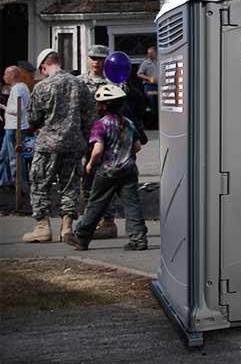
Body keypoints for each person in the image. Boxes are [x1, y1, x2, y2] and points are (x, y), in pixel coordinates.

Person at [22, 49, 95, 243]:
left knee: (40, 184)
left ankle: (42, 227)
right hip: (74, 144)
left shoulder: (42, 87)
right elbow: (90, 117)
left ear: (43, 67)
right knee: (70, 186)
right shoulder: (80, 84)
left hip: (48, 144)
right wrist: (83, 140)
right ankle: (67, 227)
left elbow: (33, 119)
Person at [63, 85, 147, 250]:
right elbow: (137, 147)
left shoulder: (101, 124)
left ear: (102, 106)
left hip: (107, 172)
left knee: (96, 204)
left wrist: (90, 164)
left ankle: (81, 238)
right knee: (132, 205)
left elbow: (98, 149)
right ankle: (138, 239)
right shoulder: (128, 123)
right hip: (129, 170)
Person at [79, 44, 119, 239]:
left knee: (107, 181)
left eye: (100, 59)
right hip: (85, 138)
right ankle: (90, 219)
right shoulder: (79, 82)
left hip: (108, 140)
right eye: (93, 58)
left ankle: (108, 221)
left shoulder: (114, 83)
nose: (96, 62)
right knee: (86, 181)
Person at [1, 66, 31, 190]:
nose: (4, 77)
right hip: (12, 126)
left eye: (5, 74)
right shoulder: (22, 87)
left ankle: (20, 186)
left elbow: (20, 108)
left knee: (15, 158)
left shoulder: (17, 89)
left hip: (15, 128)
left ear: (12, 75)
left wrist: (4, 107)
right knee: (3, 156)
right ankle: (3, 181)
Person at [136, 46, 158, 127]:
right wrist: (149, 79)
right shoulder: (145, 63)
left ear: (156, 53)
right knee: (152, 105)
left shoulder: (160, 61)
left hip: (159, 87)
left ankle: (157, 123)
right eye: (148, 53)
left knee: (158, 105)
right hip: (150, 86)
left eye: (151, 53)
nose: (149, 55)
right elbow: (139, 74)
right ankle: (150, 124)